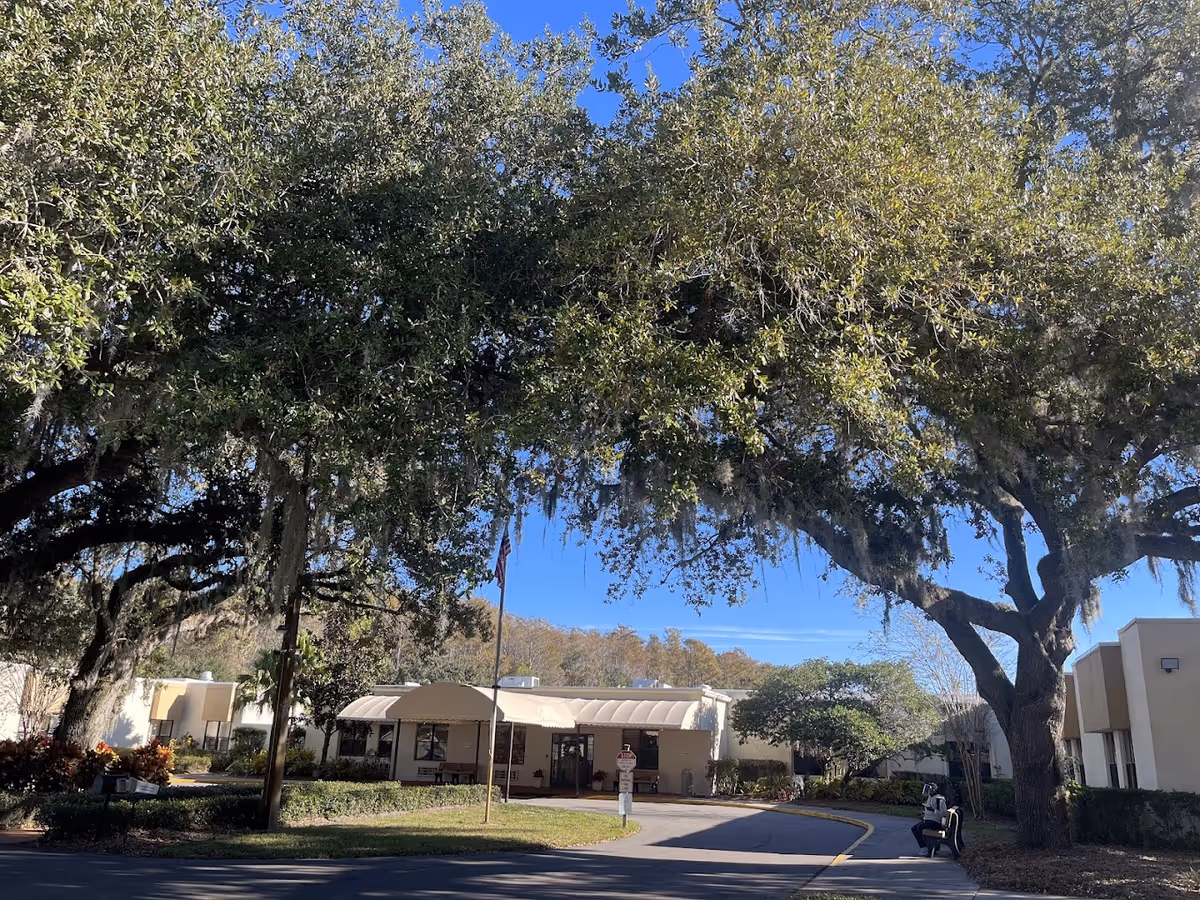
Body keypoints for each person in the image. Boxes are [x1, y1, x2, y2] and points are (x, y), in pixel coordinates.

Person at [911, 782, 948, 852]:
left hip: (936, 822)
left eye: (929, 789)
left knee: (920, 828)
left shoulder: (939, 799)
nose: (928, 791)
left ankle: (926, 848)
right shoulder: (930, 797)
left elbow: (943, 813)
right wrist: (924, 813)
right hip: (928, 820)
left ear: (934, 790)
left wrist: (933, 810)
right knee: (914, 828)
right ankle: (923, 846)